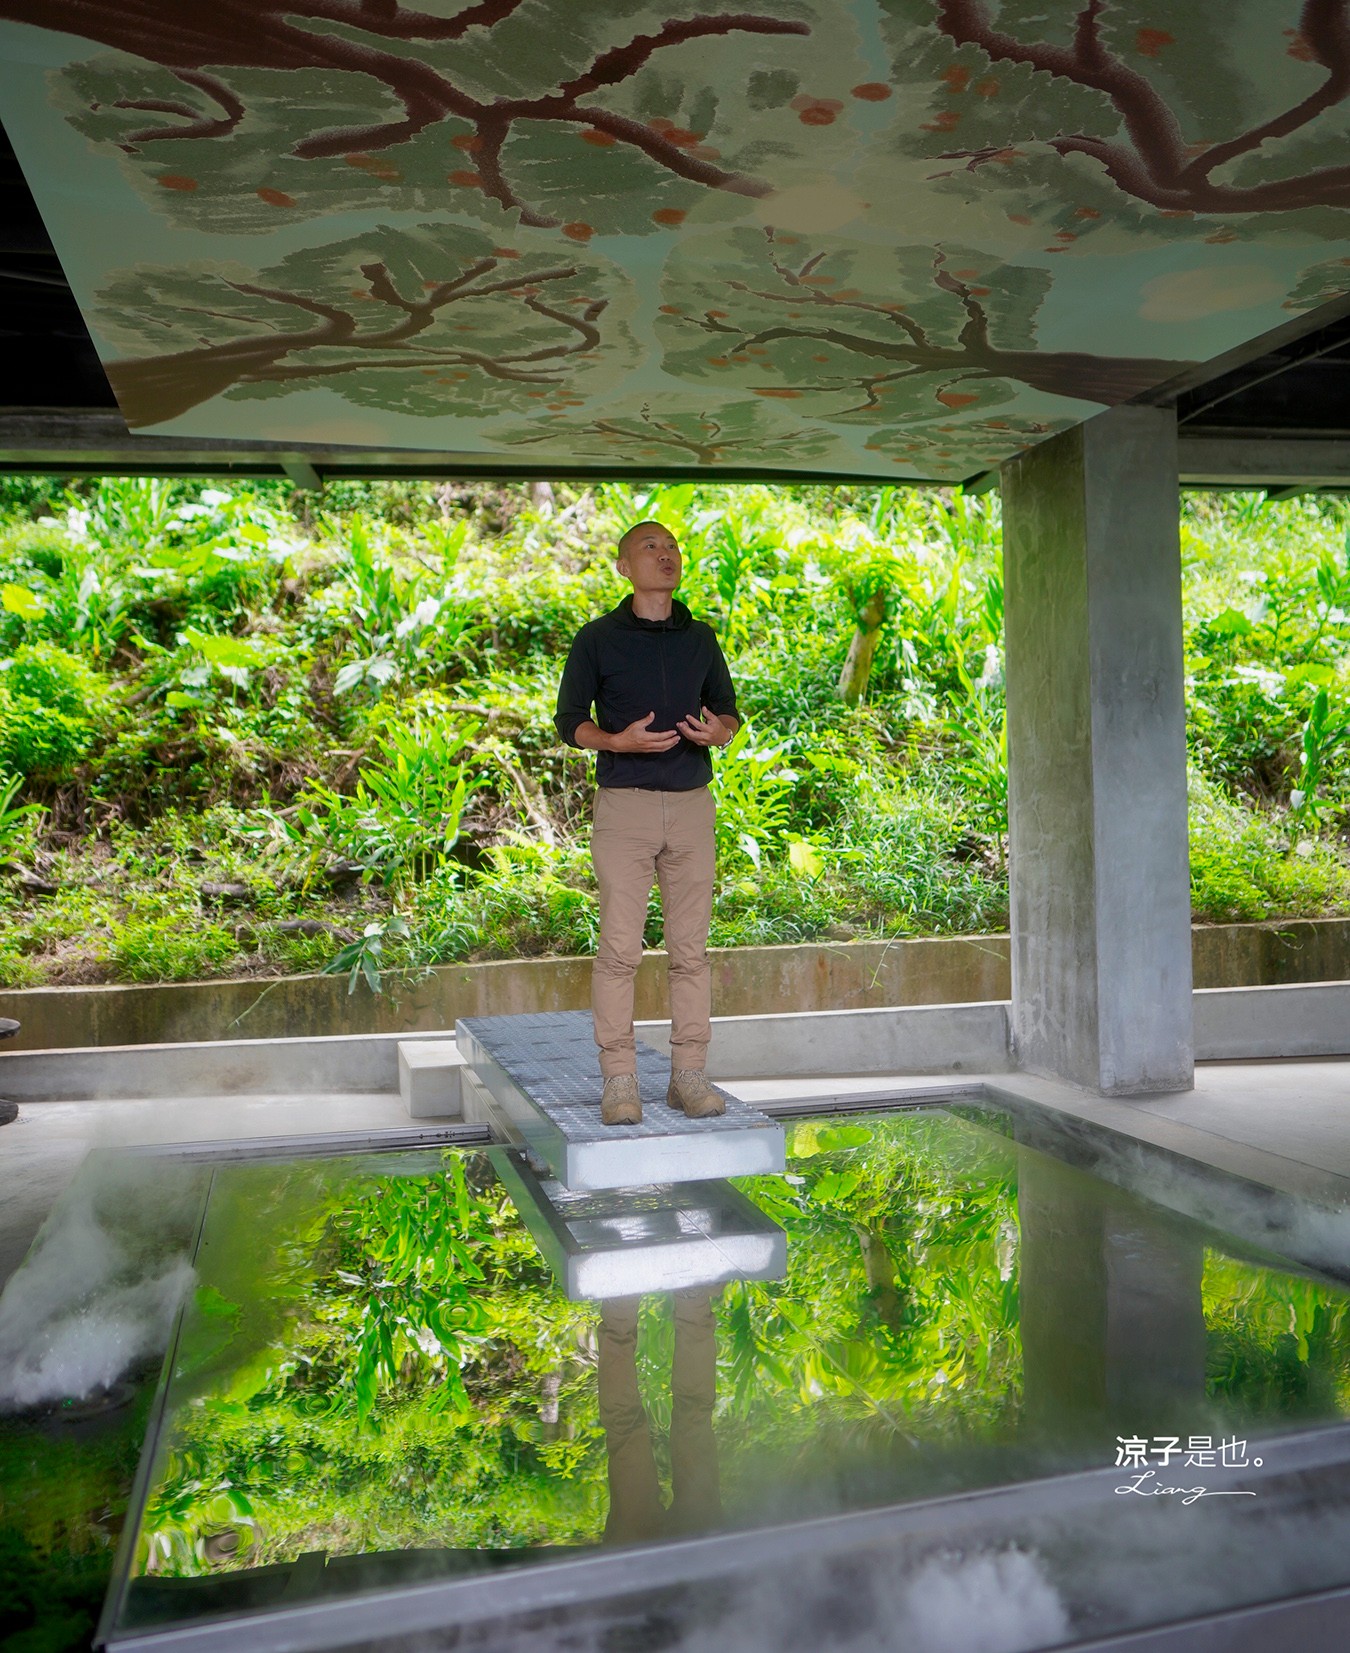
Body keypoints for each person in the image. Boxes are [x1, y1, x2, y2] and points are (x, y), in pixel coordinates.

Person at [555, 520, 740, 1126]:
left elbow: (729, 712)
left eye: (672, 546)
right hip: (625, 808)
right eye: (650, 547)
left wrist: (722, 732)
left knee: (691, 951)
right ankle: (620, 1082)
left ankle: (687, 1076)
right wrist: (617, 741)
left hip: (691, 806)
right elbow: (569, 721)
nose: (665, 555)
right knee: (620, 951)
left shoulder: (701, 638)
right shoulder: (596, 639)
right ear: (623, 567)